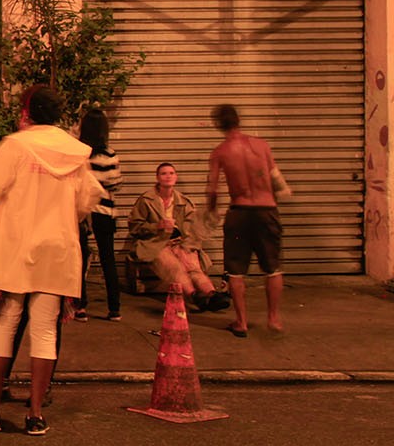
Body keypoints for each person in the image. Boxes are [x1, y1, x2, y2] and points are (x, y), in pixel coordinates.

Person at [0, 85, 102, 436]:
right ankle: (35, 414)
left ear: (27, 112)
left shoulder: (16, 146)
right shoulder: (75, 152)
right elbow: (87, 200)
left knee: (4, 324)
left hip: (16, 250)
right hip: (57, 250)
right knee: (44, 331)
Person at [205, 104, 290, 337]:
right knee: (273, 268)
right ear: (238, 120)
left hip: (239, 212)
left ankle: (241, 322)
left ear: (217, 125)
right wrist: (279, 195)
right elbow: (276, 179)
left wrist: (211, 212)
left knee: (235, 271)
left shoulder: (220, 152)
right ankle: (273, 318)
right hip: (266, 210)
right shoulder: (261, 145)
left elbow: (212, 189)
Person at [129, 163, 229, 312]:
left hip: (179, 242)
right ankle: (194, 296)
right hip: (155, 243)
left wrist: (189, 243)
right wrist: (157, 226)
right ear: (157, 178)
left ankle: (211, 294)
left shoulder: (184, 202)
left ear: (176, 177)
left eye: (171, 173)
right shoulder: (146, 200)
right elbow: (134, 227)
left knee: (193, 266)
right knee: (175, 267)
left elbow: (191, 228)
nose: (168, 176)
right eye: (163, 173)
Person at [75, 108, 122, 322]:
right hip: (105, 211)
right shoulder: (110, 155)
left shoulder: (77, 153)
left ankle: (80, 307)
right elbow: (116, 184)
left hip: (81, 211)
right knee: (108, 259)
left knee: (80, 259)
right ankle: (114, 309)